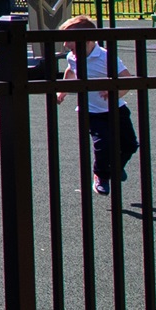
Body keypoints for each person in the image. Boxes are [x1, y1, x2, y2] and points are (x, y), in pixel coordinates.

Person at [55, 12, 136, 195]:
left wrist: (114, 92)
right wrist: (63, 92)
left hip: (116, 108)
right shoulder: (72, 58)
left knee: (130, 144)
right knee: (103, 143)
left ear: (88, 40)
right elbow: (70, 71)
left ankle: (115, 167)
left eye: (72, 45)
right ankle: (100, 175)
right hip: (90, 111)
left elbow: (127, 80)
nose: (69, 50)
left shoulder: (105, 57)